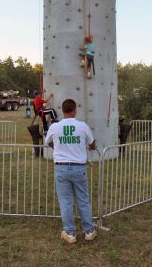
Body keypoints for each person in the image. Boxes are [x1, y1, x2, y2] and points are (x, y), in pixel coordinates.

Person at [45, 98, 97, 244]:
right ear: (75, 110)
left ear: (62, 110)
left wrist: (58, 148)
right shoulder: (82, 126)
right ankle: (89, 231)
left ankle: (70, 233)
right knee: (83, 200)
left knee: (65, 201)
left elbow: (47, 141)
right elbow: (92, 143)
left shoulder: (55, 127)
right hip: (79, 167)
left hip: (61, 167)